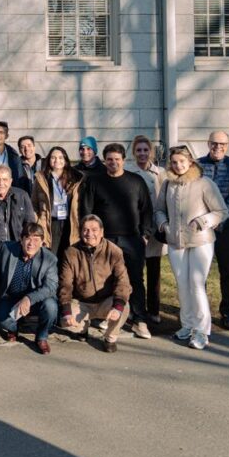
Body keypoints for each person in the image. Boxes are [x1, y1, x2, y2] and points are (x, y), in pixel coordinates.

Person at [155, 145, 227, 350]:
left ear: (190, 162)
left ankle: (202, 331)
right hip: (175, 241)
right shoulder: (168, 184)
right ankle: (187, 325)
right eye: (174, 162)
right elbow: (159, 210)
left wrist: (201, 222)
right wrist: (164, 225)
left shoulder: (204, 183)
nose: (178, 166)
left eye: (182, 162)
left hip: (200, 241)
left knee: (196, 284)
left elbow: (220, 211)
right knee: (182, 283)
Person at [79, 143, 154, 339]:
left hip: (132, 239)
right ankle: (108, 316)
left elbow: (146, 209)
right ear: (104, 161)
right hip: (105, 240)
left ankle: (139, 320)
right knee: (106, 279)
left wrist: (145, 234)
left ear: (124, 160)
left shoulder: (136, 181)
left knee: (135, 279)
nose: (113, 163)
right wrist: (91, 237)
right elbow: (86, 210)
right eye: (109, 159)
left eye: (117, 159)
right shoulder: (95, 181)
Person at [58, 215, 131, 353]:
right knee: (65, 321)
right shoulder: (71, 253)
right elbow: (65, 284)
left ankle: (110, 338)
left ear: (102, 232)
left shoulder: (114, 251)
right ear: (80, 232)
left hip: (106, 301)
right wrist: (67, 311)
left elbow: (122, 281)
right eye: (85, 230)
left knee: (124, 307)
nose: (89, 233)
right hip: (82, 302)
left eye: (94, 230)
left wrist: (117, 306)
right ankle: (83, 329)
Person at [197, 130, 229, 330]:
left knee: (228, 272)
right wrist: (205, 221)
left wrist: (219, 219)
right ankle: (202, 313)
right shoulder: (198, 165)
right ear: (208, 143)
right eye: (214, 143)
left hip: (226, 228)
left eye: (222, 144)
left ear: (228, 145)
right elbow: (194, 195)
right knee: (201, 272)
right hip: (202, 228)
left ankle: (227, 313)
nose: (218, 147)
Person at [0, 223, 59, 355]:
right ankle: (14, 328)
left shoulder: (49, 259)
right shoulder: (7, 248)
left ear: (42, 242)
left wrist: (29, 298)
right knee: (1, 319)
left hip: (37, 300)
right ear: (21, 239)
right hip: (12, 298)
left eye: (36, 239)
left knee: (51, 307)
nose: (31, 243)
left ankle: (41, 336)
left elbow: (51, 286)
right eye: (28, 238)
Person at [125, 135, 167, 325]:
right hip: (135, 227)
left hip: (155, 227)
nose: (142, 153)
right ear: (134, 152)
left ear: (150, 152)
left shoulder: (160, 173)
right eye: (139, 150)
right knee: (134, 272)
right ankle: (135, 309)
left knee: (154, 271)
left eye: (145, 150)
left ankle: (154, 310)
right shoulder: (128, 171)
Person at [31, 146, 84, 257]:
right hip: (50, 223)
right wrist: (38, 221)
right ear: (48, 160)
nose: (57, 160)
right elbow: (34, 203)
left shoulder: (76, 178)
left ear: (65, 160)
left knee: (69, 255)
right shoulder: (41, 178)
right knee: (51, 255)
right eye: (53, 158)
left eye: (60, 157)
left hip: (70, 222)